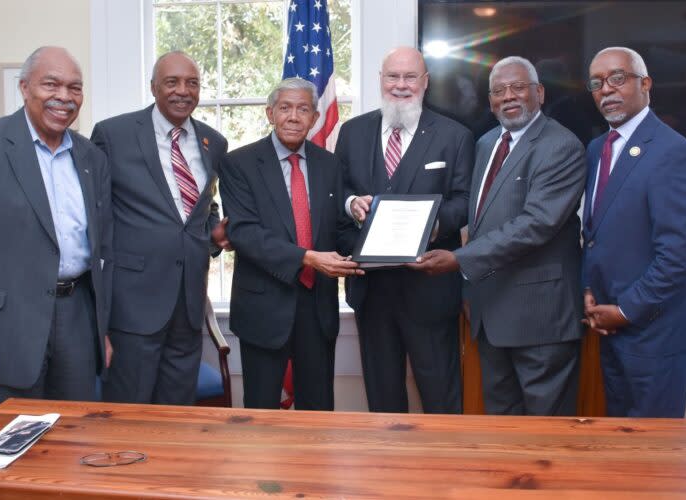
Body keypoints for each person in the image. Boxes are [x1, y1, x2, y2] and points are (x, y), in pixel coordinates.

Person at [0, 46, 112, 415]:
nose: (64, 97)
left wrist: (102, 328)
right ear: (24, 87)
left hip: (77, 319)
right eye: (51, 84)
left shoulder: (90, 156)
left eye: (75, 88)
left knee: (77, 440)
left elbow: (102, 247)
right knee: (13, 447)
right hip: (5, 329)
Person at [409, 56, 586, 416]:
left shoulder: (561, 145)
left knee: (545, 436)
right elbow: (478, 221)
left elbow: (536, 223)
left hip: (540, 319)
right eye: (499, 90)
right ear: (489, 101)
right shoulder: (486, 143)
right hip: (490, 314)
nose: (509, 96)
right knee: (500, 430)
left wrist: (459, 260)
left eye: (518, 87)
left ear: (539, 92)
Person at [335, 47, 473, 414]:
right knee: (381, 400)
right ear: (381, 80)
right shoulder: (352, 132)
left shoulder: (454, 136)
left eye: (410, 77)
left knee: (441, 395)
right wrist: (351, 204)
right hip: (372, 289)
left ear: (425, 82)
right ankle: (387, 471)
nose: (400, 85)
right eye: (392, 76)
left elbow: (464, 200)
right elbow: (338, 191)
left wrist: (432, 225)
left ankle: (444, 470)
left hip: (429, 289)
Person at [91, 51, 229, 405]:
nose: (183, 91)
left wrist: (214, 233)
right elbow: (95, 214)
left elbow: (203, 207)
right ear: (153, 87)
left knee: (178, 415)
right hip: (133, 304)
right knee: (129, 415)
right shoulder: (113, 134)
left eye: (192, 83)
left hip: (188, 303)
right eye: (172, 82)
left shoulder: (213, 142)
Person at [219, 78, 360, 410]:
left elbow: (339, 229)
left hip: (317, 308)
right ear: (270, 113)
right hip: (263, 308)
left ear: (314, 117)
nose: (294, 117)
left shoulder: (330, 164)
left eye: (303, 109)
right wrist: (308, 258)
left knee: (318, 412)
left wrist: (368, 249)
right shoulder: (239, 164)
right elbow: (245, 233)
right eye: (285, 108)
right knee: (261, 415)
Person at [582, 47, 686, 417]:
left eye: (618, 78)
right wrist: (589, 289)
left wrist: (624, 310)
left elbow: (678, 257)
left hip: (655, 331)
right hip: (610, 326)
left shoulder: (673, 152)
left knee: (655, 456)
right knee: (621, 449)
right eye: (597, 83)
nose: (607, 89)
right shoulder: (596, 149)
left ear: (646, 83)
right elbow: (595, 232)